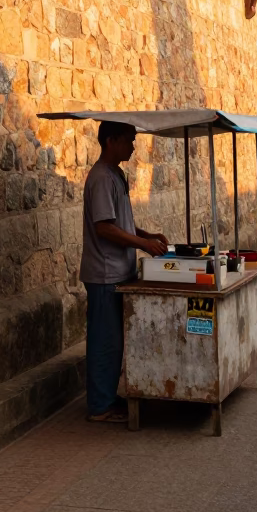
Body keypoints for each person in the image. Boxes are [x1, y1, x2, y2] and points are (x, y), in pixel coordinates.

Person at [80, 121, 169, 423]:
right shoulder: (101, 178)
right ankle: (99, 406)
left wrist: (147, 235)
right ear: (111, 141)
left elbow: (120, 222)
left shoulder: (115, 175)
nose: (132, 146)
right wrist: (143, 244)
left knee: (114, 340)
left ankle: (106, 397)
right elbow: (104, 227)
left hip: (118, 272)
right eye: (128, 140)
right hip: (104, 273)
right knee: (105, 341)